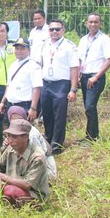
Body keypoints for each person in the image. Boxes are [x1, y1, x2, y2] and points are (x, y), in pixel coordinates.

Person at [0, 119, 49, 207]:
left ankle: (18, 203)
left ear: (25, 136)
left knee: (10, 191)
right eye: (8, 136)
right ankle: (4, 198)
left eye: (14, 137)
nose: (10, 140)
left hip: (32, 194)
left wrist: (1, 176)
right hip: (11, 183)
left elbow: (27, 185)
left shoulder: (37, 157)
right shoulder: (11, 148)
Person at [39, 20, 79, 155]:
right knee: (47, 114)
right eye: (51, 29)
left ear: (63, 30)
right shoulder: (44, 44)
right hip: (46, 83)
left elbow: (74, 68)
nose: (54, 32)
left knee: (59, 115)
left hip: (61, 84)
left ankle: (56, 145)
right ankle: (48, 139)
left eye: (57, 29)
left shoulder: (69, 46)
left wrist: (73, 89)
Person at [77, 13, 110, 141]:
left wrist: (96, 76)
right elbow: (79, 59)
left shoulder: (104, 39)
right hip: (84, 77)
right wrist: (78, 76)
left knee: (90, 106)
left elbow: (109, 59)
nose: (93, 24)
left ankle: (93, 137)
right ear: (86, 23)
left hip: (95, 77)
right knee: (87, 107)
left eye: (96, 22)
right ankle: (90, 134)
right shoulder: (83, 40)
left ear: (100, 24)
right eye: (91, 22)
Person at [5, 106, 57, 180]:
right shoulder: (13, 132)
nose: (17, 121)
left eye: (19, 119)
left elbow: (40, 159)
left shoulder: (31, 134)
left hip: (45, 170)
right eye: (13, 119)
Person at [0, 38, 42, 122]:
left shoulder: (33, 66)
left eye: (22, 48)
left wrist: (33, 108)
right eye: (17, 48)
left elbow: (36, 88)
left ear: (29, 50)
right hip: (10, 104)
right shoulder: (13, 65)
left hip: (24, 105)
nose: (19, 51)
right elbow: (8, 86)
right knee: (12, 132)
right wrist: (3, 102)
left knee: (23, 132)